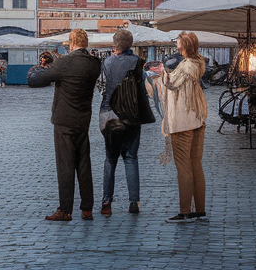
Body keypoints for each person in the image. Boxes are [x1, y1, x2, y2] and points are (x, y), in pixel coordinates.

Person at [28, 30, 102, 222]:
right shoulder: (94, 63)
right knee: (84, 164)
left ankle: (65, 209)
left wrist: (42, 66)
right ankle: (87, 208)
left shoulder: (65, 62)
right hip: (83, 118)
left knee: (65, 165)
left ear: (71, 43)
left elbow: (36, 80)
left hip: (64, 119)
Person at [98, 29, 151, 216]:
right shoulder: (137, 62)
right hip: (131, 116)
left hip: (109, 115)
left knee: (110, 159)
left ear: (115, 44)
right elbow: (142, 86)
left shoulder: (108, 62)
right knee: (131, 157)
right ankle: (134, 201)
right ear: (131, 44)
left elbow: (102, 87)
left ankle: (107, 201)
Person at [159, 32, 208, 223]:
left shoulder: (186, 66)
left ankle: (185, 210)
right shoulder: (198, 63)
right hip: (198, 118)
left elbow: (170, 83)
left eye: (178, 41)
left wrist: (162, 71)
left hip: (182, 121)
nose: (176, 43)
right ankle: (200, 209)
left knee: (184, 166)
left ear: (184, 44)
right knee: (196, 163)